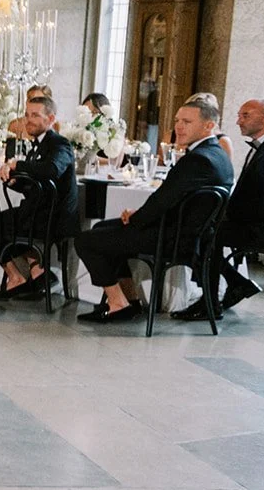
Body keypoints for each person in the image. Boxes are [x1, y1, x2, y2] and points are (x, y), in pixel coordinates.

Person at [75, 96, 234, 324]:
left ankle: (118, 304)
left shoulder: (198, 159)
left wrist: (135, 218)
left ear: (209, 125)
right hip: (190, 235)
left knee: (86, 240)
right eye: (178, 120)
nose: (178, 126)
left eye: (187, 122)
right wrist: (136, 217)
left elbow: (162, 201)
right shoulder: (218, 155)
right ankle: (129, 299)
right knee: (103, 228)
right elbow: (168, 200)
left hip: (173, 239)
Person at [175, 97, 264, 321]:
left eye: (245, 115)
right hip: (258, 221)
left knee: (207, 233)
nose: (238, 121)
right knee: (205, 229)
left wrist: (229, 216)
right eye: (239, 115)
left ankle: (210, 303)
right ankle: (235, 284)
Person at [0, 94, 77, 301]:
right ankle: (36, 274)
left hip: (53, 218)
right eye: (26, 114)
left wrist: (16, 166)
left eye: (35, 115)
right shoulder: (38, 144)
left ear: (50, 120)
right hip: (36, 213)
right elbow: (35, 185)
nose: (28, 120)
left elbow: (51, 170)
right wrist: (14, 182)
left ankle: (18, 277)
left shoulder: (60, 144)